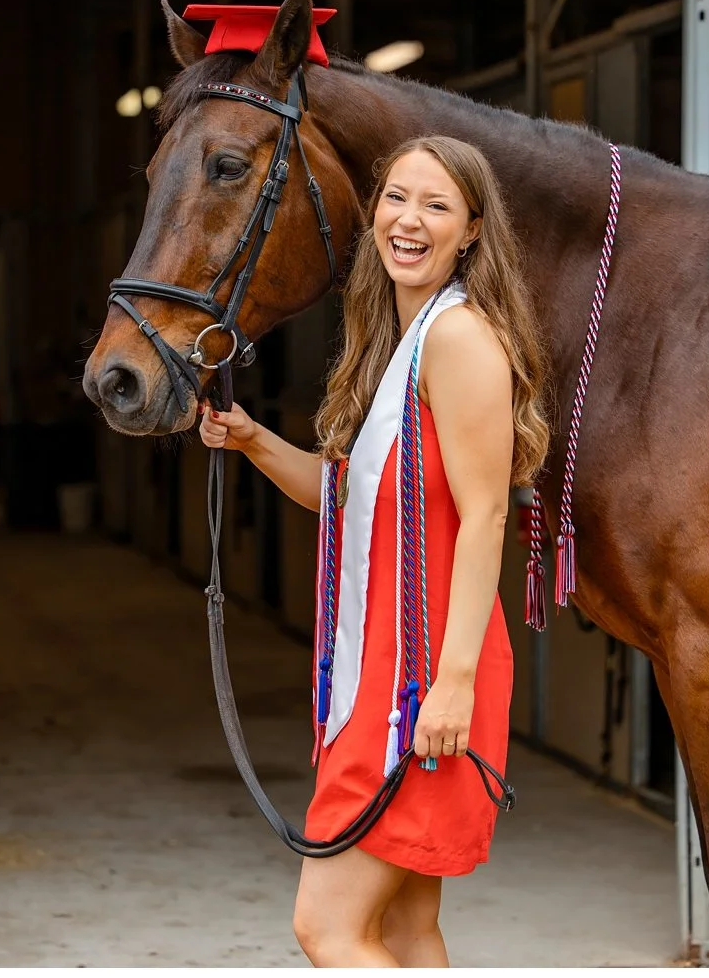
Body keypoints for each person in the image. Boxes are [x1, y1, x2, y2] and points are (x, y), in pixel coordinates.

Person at [200, 135, 546, 967]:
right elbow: (348, 499)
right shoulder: (405, 340)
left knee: (326, 929)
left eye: (436, 205)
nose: (408, 220)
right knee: (402, 930)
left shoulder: (458, 338)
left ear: (471, 231)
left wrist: (452, 686)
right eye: (397, 198)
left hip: (423, 681)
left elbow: (485, 517)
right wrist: (252, 441)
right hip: (387, 671)